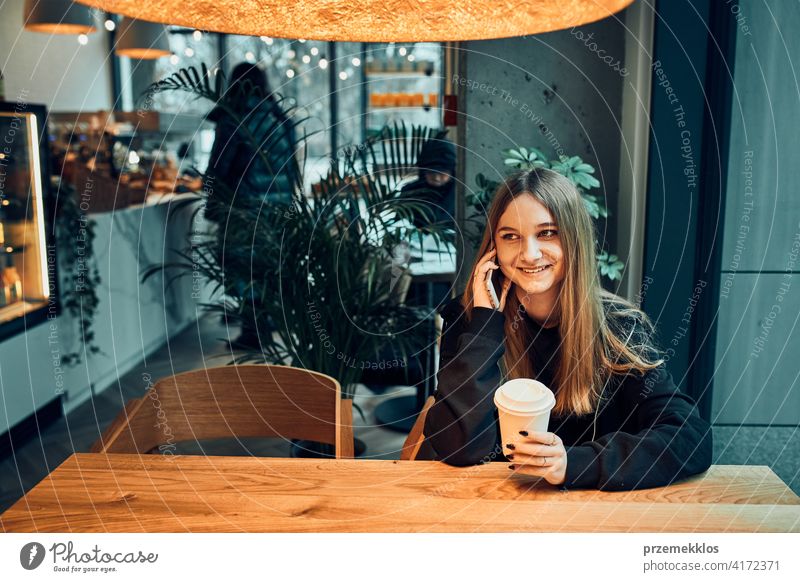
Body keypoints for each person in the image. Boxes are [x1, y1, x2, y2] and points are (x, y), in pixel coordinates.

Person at [420, 168, 713, 491]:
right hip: (489, 508)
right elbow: (458, 448)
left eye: (547, 233)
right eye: (510, 236)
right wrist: (485, 325)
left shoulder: (618, 328)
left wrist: (572, 464)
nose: (529, 254)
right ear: (494, 250)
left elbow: (690, 436)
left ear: (574, 239)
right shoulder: (470, 322)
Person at [400, 135, 456, 229]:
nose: (437, 178)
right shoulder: (409, 193)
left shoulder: (460, 194)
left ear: (451, 171)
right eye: (431, 172)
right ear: (423, 171)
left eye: (443, 172)